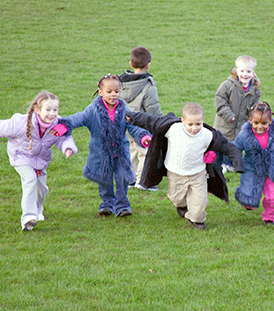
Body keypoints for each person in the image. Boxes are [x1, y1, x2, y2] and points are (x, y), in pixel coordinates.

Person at [0, 90, 78, 231]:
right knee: (30, 179)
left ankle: (38, 208)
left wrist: (67, 148)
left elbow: (64, 138)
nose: (52, 113)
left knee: (42, 189)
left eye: (55, 109)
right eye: (48, 109)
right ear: (37, 110)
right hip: (21, 157)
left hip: (40, 161)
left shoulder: (58, 124)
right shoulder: (20, 123)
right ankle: (28, 218)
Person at [126, 103, 244, 230]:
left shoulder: (208, 135)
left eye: (198, 124)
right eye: (190, 124)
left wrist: (237, 164)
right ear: (183, 121)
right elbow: (150, 120)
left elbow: (228, 147)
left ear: (203, 120)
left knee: (200, 202)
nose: (194, 128)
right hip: (175, 173)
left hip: (198, 174)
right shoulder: (172, 129)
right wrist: (131, 116)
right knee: (177, 198)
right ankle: (182, 206)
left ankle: (196, 220)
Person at [51, 74, 151, 218]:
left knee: (123, 177)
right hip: (101, 153)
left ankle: (122, 205)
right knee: (104, 179)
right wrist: (63, 127)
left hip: (120, 152)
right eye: (109, 91)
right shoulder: (93, 109)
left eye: (116, 91)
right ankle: (107, 204)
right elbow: (78, 118)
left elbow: (134, 126)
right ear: (100, 92)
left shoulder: (124, 108)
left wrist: (144, 136)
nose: (113, 95)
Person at [119, 46, 162, 191]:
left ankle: (128, 180)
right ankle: (144, 181)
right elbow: (153, 108)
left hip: (123, 125)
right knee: (145, 152)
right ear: (148, 65)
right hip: (142, 128)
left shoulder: (120, 82)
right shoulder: (148, 85)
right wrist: (159, 123)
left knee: (129, 150)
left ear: (130, 64)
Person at [213, 55, 261, 172]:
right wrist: (228, 114)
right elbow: (220, 100)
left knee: (238, 144)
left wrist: (255, 116)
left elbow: (255, 106)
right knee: (223, 143)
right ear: (236, 70)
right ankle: (221, 164)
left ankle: (231, 163)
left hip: (241, 124)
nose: (245, 74)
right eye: (242, 71)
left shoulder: (255, 89)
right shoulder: (227, 85)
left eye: (248, 71)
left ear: (253, 73)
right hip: (225, 123)